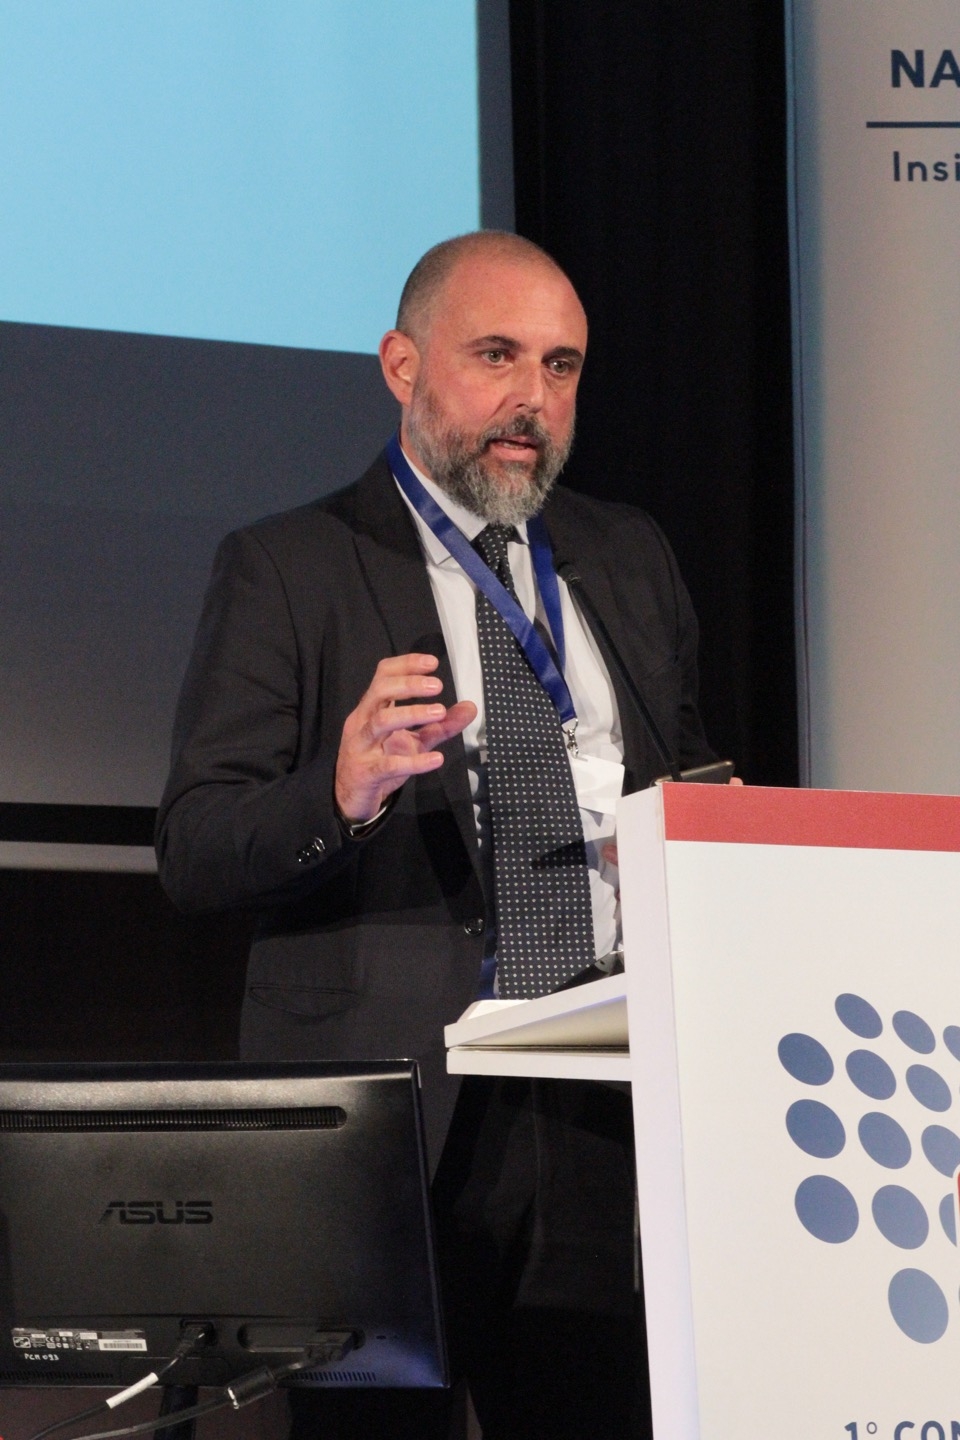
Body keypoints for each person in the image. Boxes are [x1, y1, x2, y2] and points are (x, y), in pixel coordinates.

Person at [157, 231, 717, 1439]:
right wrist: (340, 790)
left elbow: (686, 782)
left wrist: (694, 837)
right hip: (398, 1119)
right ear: (402, 365)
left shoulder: (626, 557)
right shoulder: (290, 566)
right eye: (497, 356)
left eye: (562, 366)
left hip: (601, 1100)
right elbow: (196, 845)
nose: (533, 398)